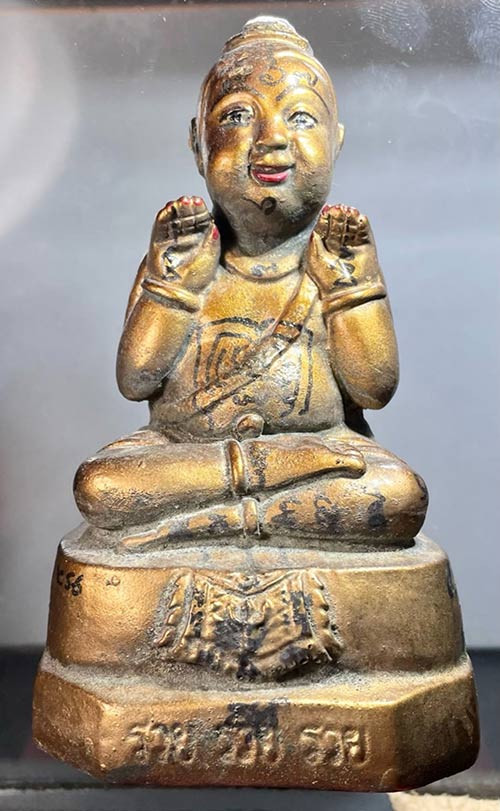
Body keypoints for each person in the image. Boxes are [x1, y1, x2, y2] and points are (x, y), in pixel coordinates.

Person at [74, 16, 427, 548]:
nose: (272, 140)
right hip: (189, 453)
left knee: (397, 495)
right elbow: (137, 380)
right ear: (198, 144)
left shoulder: (337, 255)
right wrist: (175, 286)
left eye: (301, 117)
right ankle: (267, 492)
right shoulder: (184, 251)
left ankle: (210, 521)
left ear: (336, 143)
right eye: (237, 116)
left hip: (326, 449)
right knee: (102, 485)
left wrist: (351, 289)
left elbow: (372, 389)